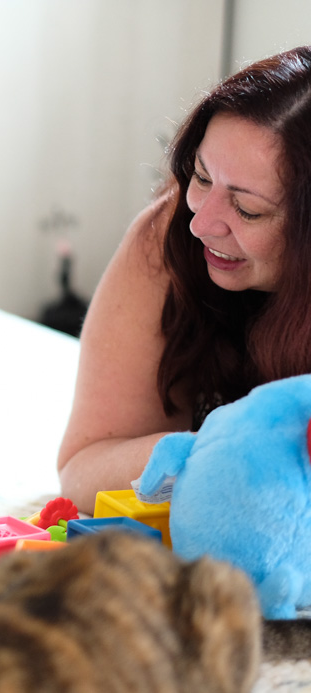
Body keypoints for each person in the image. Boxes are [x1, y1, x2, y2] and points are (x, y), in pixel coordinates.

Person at [58, 46, 311, 514]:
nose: (202, 223)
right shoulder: (169, 236)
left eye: (248, 209)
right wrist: (224, 448)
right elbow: (82, 470)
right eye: (200, 176)